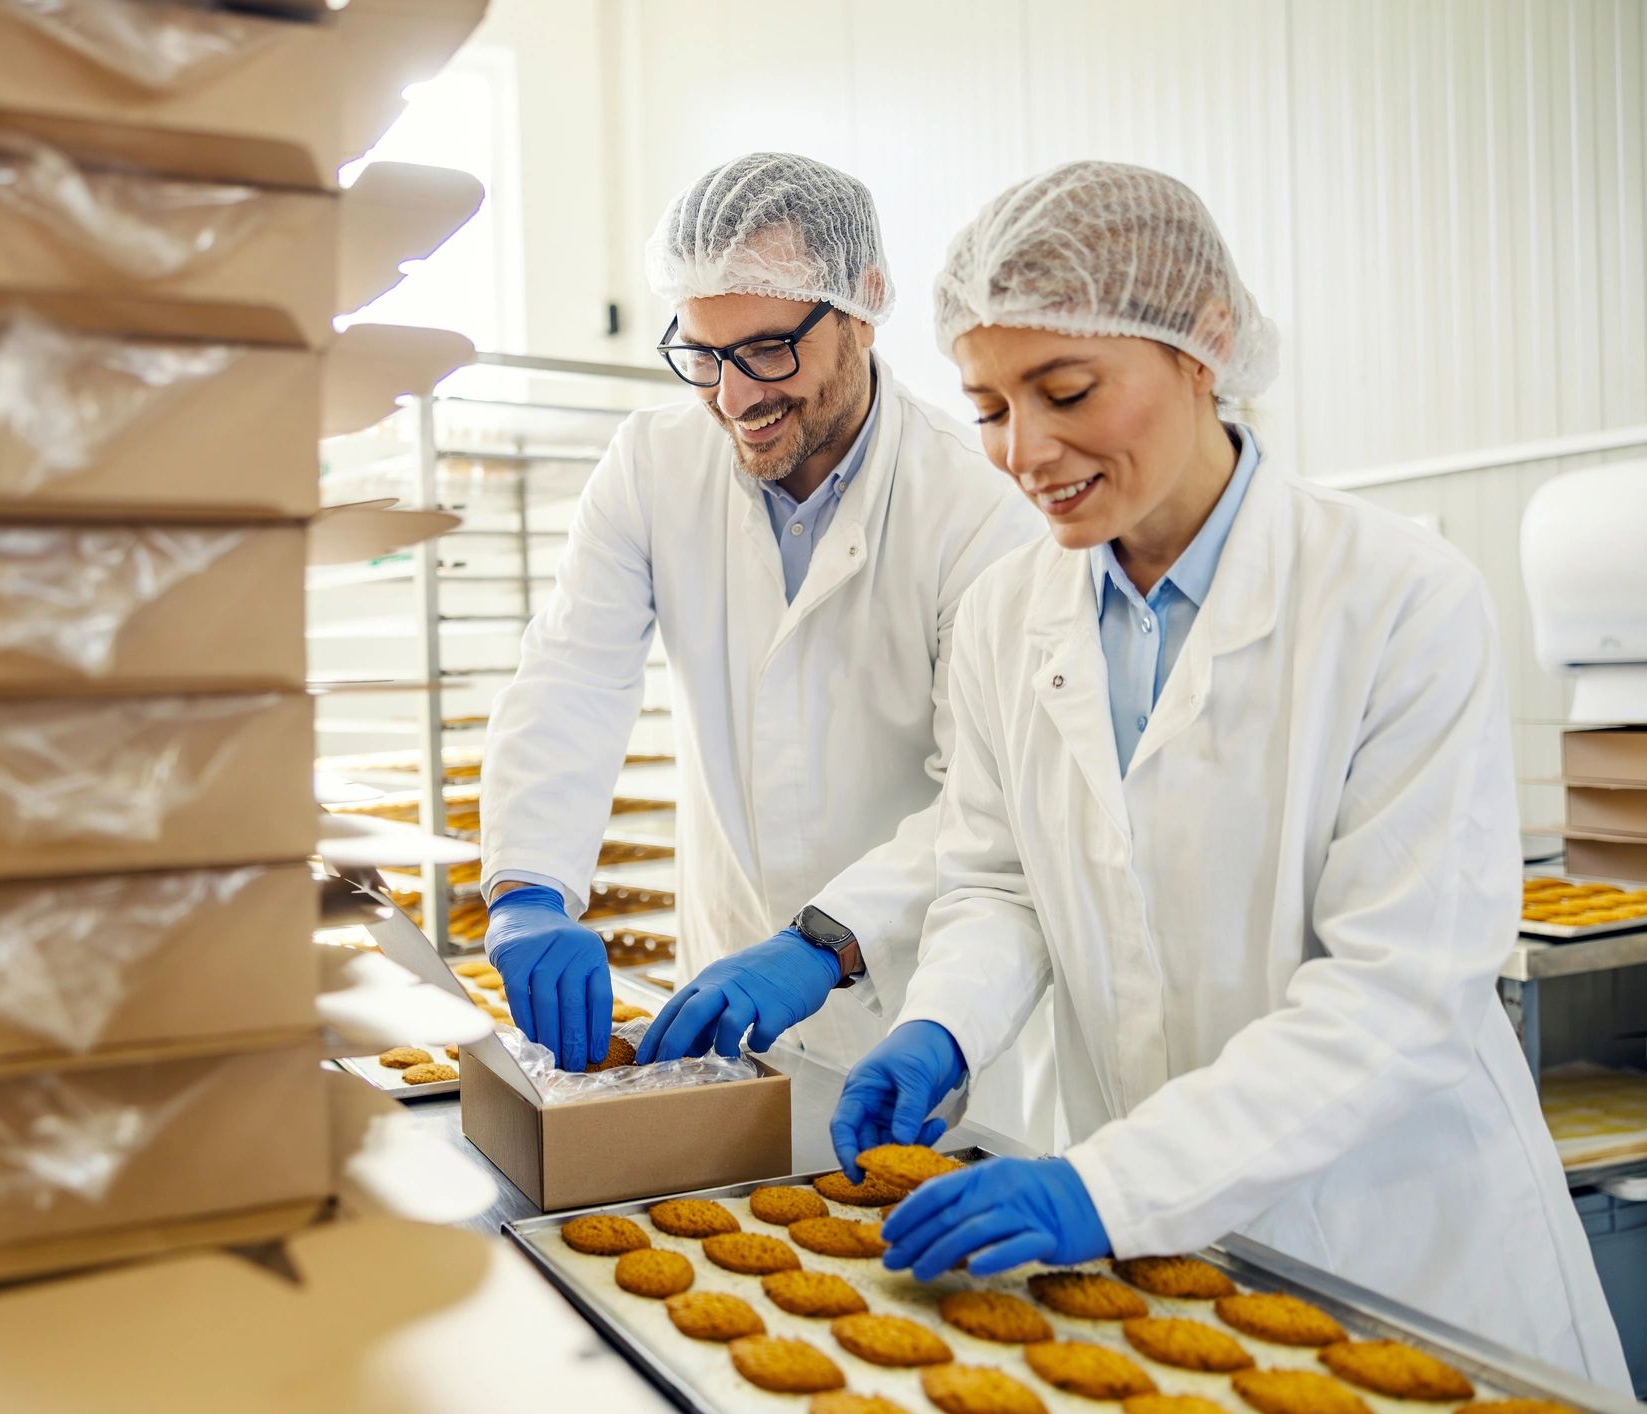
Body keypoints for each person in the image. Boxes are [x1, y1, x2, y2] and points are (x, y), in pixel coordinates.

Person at [829, 159, 1629, 1387]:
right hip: (1157, 1257)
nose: (1025, 450)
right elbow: (999, 882)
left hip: (1403, 1245)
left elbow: (1397, 990)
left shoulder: (1395, 598)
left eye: (1066, 389)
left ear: (1204, 344)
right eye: (989, 408)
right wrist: (943, 1024)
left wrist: (1110, 1186)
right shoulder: (1006, 616)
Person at [476, 152, 1045, 1107]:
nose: (735, 398)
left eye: (768, 351)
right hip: (721, 996)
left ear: (861, 309)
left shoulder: (980, 511)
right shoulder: (653, 464)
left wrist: (824, 938)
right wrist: (527, 885)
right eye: (703, 355)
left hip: (916, 1015)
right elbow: (571, 675)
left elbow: (988, 800)